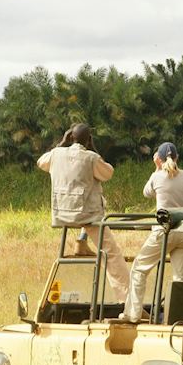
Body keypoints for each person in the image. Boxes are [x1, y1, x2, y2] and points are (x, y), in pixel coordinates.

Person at [37, 124, 130, 303]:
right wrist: (93, 148)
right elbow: (108, 173)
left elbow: (41, 162)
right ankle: (127, 300)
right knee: (111, 253)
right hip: (87, 216)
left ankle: (82, 241)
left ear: (70, 137)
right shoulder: (91, 157)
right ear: (88, 140)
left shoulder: (56, 154)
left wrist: (61, 143)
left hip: (62, 213)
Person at [119, 142, 183, 323]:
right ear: (177, 157)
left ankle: (133, 313)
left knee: (140, 268)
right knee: (182, 278)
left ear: (159, 159)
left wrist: (157, 169)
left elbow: (147, 193)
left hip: (163, 231)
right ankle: (180, 318)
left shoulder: (157, 177)